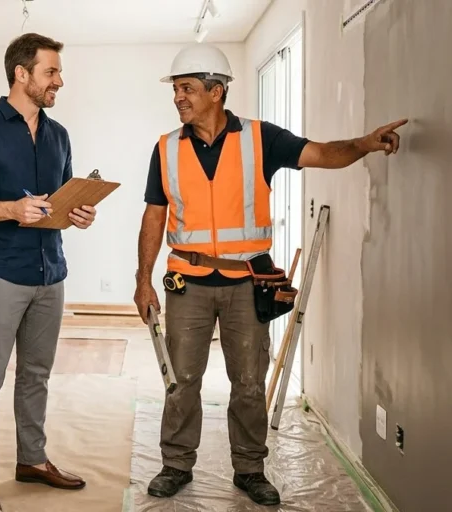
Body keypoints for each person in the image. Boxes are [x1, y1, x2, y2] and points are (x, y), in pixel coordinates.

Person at [133, 42, 407, 507]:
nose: (178, 97)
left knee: (247, 381)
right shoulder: (165, 149)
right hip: (187, 282)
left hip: (246, 285)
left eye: (187, 88)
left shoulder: (260, 139)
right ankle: (176, 464)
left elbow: (321, 153)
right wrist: (143, 280)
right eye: (176, 89)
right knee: (183, 381)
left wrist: (363, 143)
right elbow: (154, 217)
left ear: (217, 92)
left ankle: (250, 468)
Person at [0, 32, 97, 512]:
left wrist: (79, 211)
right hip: (1, 274)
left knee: (37, 375)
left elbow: (58, 200)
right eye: (52, 72)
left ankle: (32, 460)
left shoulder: (59, 135)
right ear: (22, 74)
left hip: (51, 272)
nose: (60, 81)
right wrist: (10, 208)